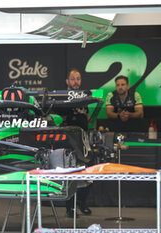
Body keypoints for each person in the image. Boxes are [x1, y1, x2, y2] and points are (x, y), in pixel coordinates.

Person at [62, 68, 92, 218]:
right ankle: (70, 208)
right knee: (71, 173)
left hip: (83, 139)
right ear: (67, 81)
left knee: (89, 171)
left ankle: (82, 202)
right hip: (68, 141)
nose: (76, 82)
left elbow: (86, 118)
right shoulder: (61, 97)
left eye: (78, 78)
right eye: (73, 78)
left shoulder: (85, 98)